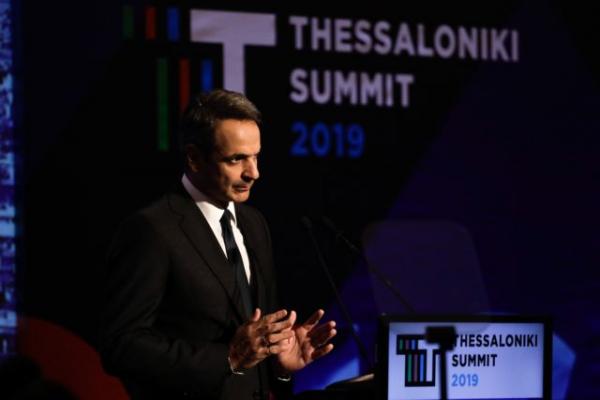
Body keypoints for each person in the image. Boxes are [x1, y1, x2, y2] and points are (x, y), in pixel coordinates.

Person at [99, 89, 336, 400]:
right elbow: (121, 345)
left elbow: (254, 342)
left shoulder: (254, 224)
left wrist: (280, 366)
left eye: (255, 156)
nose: (254, 173)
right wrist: (227, 358)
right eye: (236, 159)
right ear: (194, 158)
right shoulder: (153, 230)